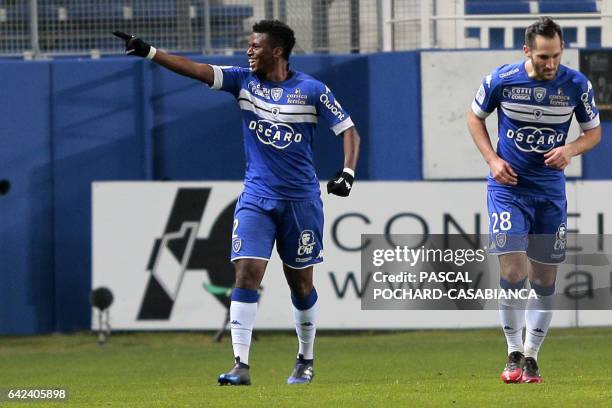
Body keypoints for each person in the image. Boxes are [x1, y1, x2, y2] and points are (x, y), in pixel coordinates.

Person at [114, 20, 360, 385]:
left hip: (301, 202)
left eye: (256, 46)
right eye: (249, 45)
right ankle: (240, 365)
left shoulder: (312, 90)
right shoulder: (242, 82)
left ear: (277, 51)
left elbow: (348, 130)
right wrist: (150, 52)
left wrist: (347, 173)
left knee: (301, 285)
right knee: (246, 273)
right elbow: (197, 70)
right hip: (257, 198)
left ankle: (305, 359)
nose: (249, 51)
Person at [467, 17, 601, 384]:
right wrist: (493, 160)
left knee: (544, 281)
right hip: (508, 189)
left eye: (557, 55)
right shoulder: (502, 80)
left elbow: (594, 132)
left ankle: (531, 357)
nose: (551, 64)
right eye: (544, 56)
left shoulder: (576, 85)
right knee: (513, 271)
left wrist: (571, 149)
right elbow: (474, 117)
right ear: (527, 50)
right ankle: (512, 351)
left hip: (549, 193)